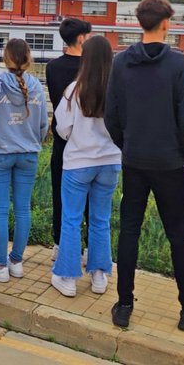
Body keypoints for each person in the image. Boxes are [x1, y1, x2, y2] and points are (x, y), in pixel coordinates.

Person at [105, 0, 184, 332]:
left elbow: (112, 115)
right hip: (170, 162)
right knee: (180, 235)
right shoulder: (179, 64)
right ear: (166, 23)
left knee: (129, 232)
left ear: (140, 23)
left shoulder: (121, 62)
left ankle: (124, 305)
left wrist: (128, 144)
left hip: (134, 159)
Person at [50, 36, 122, 297]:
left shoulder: (73, 90)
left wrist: (79, 138)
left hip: (78, 162)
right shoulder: (118, 91)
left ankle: (67, 277)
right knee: (100, 219)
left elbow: (62, 128)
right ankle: (99, 275)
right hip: (110, 163)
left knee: (71, 219)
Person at [0, 38, 48, 283]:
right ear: (29, 59)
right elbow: (43, 125)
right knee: (22, 209)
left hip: (0, 152)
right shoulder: (36, 87)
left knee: (0, 209)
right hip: (29, 153)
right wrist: (32, 142)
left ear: (5, 58)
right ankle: (16, 261)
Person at [45, 18, 91, 253]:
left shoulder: (53, 67)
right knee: (91, 200)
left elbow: (56, 101)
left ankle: (60, 243)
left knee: (61, 194)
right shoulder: (94, 68)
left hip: (63, 139)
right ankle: (89, 247)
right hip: (91, 140)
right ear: (81, 38)